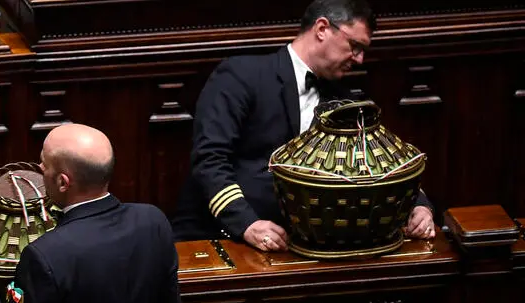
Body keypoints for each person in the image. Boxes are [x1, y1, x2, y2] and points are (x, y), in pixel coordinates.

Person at [171, 0, 436, 252]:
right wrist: (246, 224)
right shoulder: (242, 75)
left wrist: (420, 206)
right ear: (322, 29)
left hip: (297, 244)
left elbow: (383, 164)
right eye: (355, 46)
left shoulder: (346, 101)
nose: (359, 59)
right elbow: (210, 160)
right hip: (217, 235)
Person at [0, 124, 182, 303]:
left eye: (44, 164)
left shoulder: (44, 255)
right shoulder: (153, 221)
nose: (40, 169)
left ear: (63, 182)